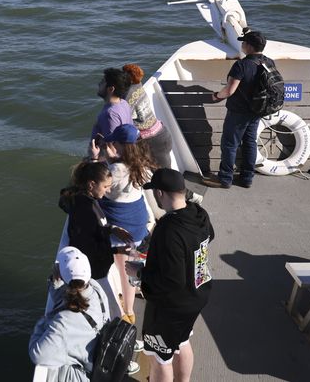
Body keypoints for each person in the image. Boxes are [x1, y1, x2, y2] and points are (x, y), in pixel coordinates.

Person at [125, 168, 214, 382]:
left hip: (172, 306)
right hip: (198, 293)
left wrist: (139, 271)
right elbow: (210, 235)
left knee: (160, 357)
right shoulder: (198, 213)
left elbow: (171, 281)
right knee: (181, 342)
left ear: (159, 193)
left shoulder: (168, 230)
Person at [91, 123, 157, 325]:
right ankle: (130, 310)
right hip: (137, 223)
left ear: (121, 146)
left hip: (121, 227)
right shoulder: (143, 166)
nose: (109, 144)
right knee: (130, 267)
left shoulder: (115, 170)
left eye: (114, 142)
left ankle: (122, 312)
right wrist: (113, 158)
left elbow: (97, 186)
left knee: (121, 266)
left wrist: (95, 157)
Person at [59, 161, 134, 320]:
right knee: (112, 307)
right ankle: (119, 329)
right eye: (106, 186)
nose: (109, 190)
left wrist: (112, 229)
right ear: (92, 184)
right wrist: (116, 250)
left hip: (95, 265)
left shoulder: (80, 200)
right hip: (95, 268)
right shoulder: (87, 210)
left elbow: (94, 229)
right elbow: (89, 246)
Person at [29, 247, 110, 380]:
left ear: (60, 274)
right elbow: (71, 297)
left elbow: (37, 355)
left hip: (82, 375)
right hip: (98, 358)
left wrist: (44, 321)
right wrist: (56, 282)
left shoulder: (64, 320)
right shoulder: (96, 288)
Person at [209, 30, 273, 188]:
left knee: (230, 144)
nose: (242, 44)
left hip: (238, 112)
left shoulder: (242, 65)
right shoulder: (269, 62)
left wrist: (216, 96)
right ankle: (247, 178)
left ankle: (225, 178)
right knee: (250, 142)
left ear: (249, 46)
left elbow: (229, 91)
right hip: (257, 110)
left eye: (244, 42)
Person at [123, 64, 174, 169]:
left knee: (160, 174)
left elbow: (124, 116)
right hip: (161, 132)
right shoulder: (139, 86)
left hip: (151, 139)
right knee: (166, 172)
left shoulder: (129, 93)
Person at [89, 68, 133, 158]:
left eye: (102, 82)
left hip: (106, 163)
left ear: (111, 89)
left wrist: (95, 159)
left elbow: (113, 149)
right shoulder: (123, 103)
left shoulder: (110, 114)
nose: (99, 84)